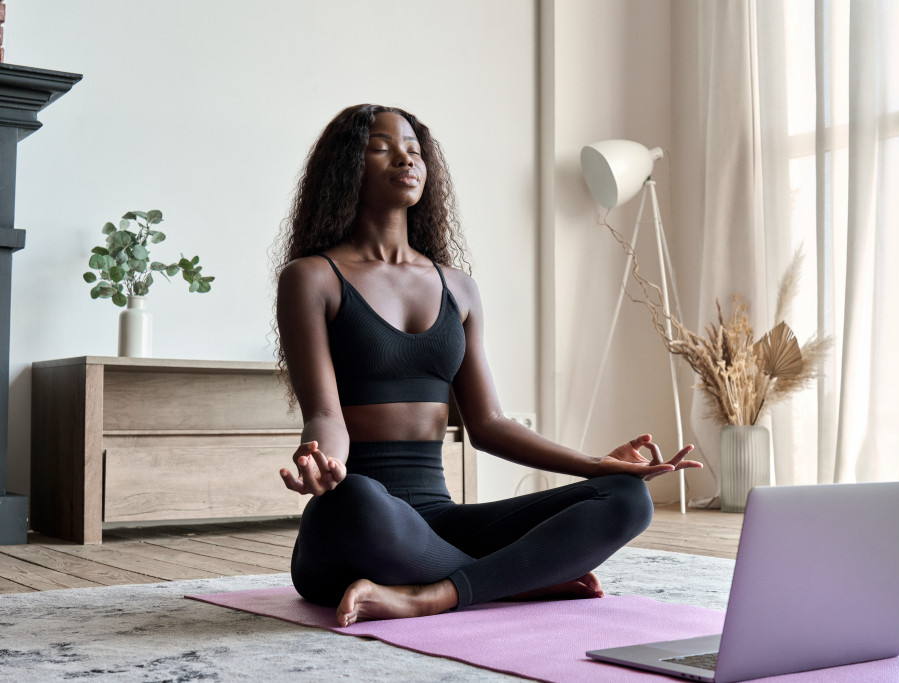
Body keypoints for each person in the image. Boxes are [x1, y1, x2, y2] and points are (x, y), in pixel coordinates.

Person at [274, 104, 701, 628]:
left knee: (626, 499)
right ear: (346, 167)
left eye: (414, 147)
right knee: (355, 497)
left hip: (440, 524)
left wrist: (598, 466)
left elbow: (490, 425)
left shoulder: (459, 287)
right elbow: (324, 414)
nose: (405, 157)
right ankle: (518, 582)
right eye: (382, 147)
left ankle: (432, 596)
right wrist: (323, 463)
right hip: (358, 526)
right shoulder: (312, 278)